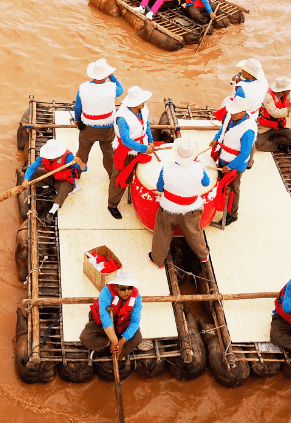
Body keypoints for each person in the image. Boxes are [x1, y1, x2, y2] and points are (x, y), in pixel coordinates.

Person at [150, 137, 212, 267]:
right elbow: (206, 183)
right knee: (195, 233)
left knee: (162, 233)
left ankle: (158, 260)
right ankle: (203, 256)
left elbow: (160, 188)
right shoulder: (199, 167)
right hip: (191, 209)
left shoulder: (166, 168)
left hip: (168, 208)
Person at [108, 85, 155, 220]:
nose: (144, 102)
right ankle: (112, 204)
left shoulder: (143, 109)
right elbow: (126, 141)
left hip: (142, 144)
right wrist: (144, 148)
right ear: (134, 103)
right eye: (141, 100)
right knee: (119, 177)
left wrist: (150, 141)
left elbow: (146, 125)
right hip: (127, 151)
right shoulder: (122, 118)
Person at [209, 96, 256, 226]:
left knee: (234, 189)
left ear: (243, 111)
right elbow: (223, 130)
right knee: (220, 181)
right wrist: (216, 139)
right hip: (224, 157)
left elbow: (244, 154)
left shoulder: (248, 131)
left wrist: (230, 166)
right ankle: (219, 202)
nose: (232, 114)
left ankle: (232, 214)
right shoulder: (232, 117)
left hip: (235, 166)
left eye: (235, 112)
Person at [74, 59, 123, 178]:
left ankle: (77, 174)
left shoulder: (83, 87)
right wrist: (111, 76)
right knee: (108, 154)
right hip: (107, 129)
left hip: (88, 128)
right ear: (105, 75)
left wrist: (78, 120)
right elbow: (120, 89)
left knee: (82, 153)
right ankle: (111, 175)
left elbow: (77, 108)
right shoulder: (112, 88)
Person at [80, 270, 143, 360]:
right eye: (123, 288)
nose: (127, 292)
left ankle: (116, 353)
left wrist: (122, 341)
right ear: (116, 287)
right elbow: (104, 317)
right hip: (103, 325)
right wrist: (114, 340)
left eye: (129, 288)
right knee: (85, 337)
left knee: (137, 338)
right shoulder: (106, 292)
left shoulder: (136, 297)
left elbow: (135, 322)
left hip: (122, 325)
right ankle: (108, 346)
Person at [22, 138, 83, 216]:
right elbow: (32, 167)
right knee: (34, 173)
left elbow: (84, 168)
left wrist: (81, 164)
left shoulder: (68, 158)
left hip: (64, 181)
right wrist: (26, 179)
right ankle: (47, 186)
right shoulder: (44, 155)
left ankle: (53, 210)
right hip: (52, 176)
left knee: (64, 189)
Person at [256, 76, 291, 151]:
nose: (290, 90)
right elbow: (274, 113)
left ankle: (275, 139)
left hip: (279, 126)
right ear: (282, 90)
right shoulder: (267, 96)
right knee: (258, 145)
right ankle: (280, 146)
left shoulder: (287, 95)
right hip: (265, 127)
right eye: (288, 89)